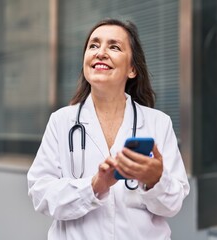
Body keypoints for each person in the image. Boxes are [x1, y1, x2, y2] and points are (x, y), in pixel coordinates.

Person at [27, 18, 189, 240]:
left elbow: (172, 205)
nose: (100, 52)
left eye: (114, 47)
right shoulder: (61, 122)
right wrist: (94, 187)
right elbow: (40, 194)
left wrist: (155, 180)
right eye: (93, 45)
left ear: (132, 69)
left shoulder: (158, 123)